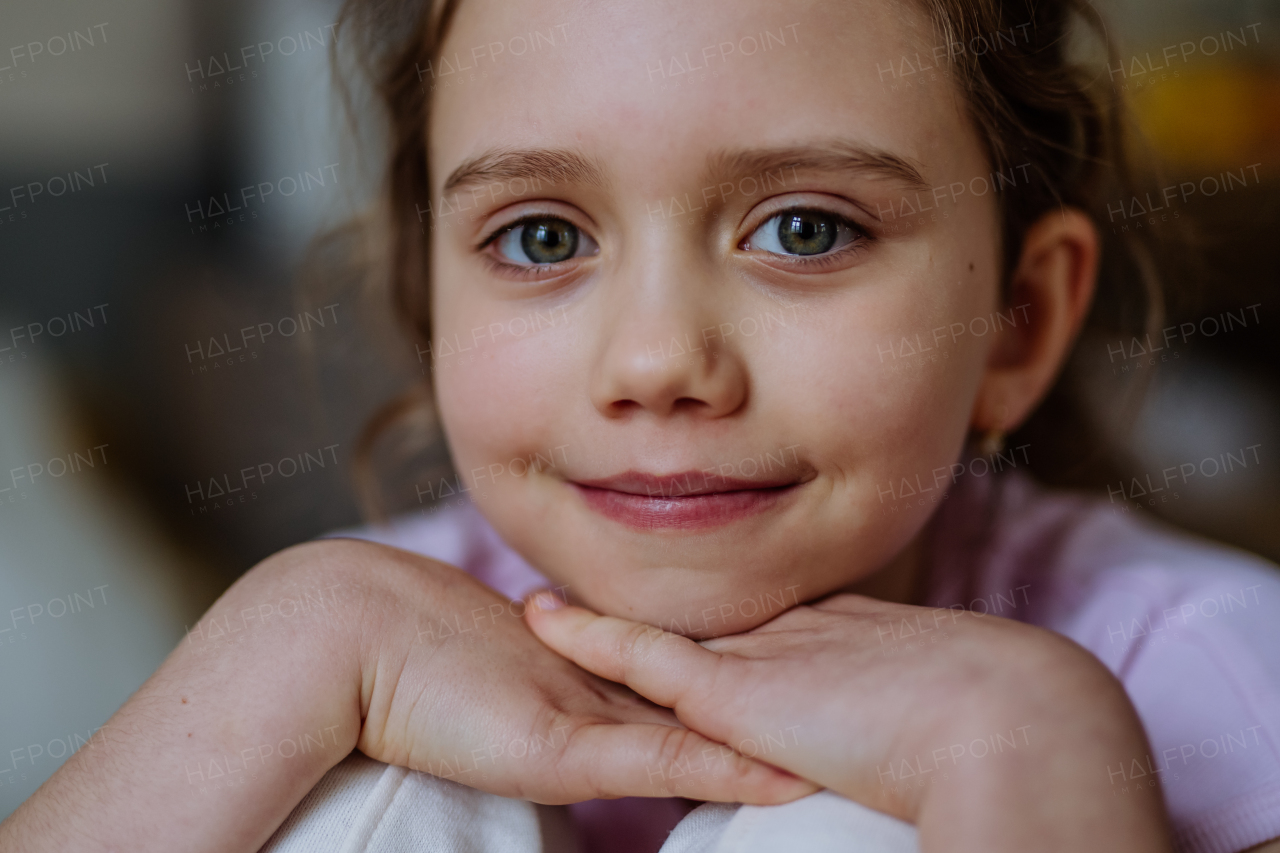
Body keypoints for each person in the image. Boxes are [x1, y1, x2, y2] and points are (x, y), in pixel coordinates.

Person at [4, 0, 1278, 851]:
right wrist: (280, 635)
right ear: (428, 307)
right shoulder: (382, 629)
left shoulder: (1209, 670)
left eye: (805, 229)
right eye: (541, 239)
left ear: (1012, 322)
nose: (660, 362)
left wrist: (1032, 758)